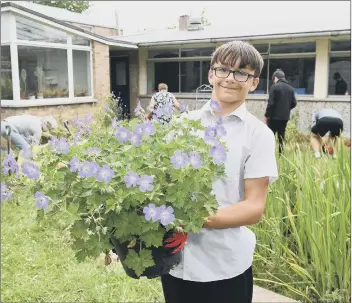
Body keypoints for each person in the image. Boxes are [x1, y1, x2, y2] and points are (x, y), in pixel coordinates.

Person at [161, 41, 278, 303]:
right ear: (211, 74)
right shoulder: (182, 125)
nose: (230, 79)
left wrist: (190, 219)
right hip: (177, 263)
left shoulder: (259, 135)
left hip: (226, 266)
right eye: (223, 69)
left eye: (242, 73)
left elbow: (253, 207)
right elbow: (161, 184)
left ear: (254, 82)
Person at [264, 69, 297, 154]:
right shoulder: (291, 88)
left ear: (275, 78)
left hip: (274, 117)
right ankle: (281, 154)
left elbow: (271, 103)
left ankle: (268, 153)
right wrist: (286, 109)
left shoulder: (274, 87)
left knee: (270, 135)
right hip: (285, 117)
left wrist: (267, 115)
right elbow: (294, 103)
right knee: (281, 135)